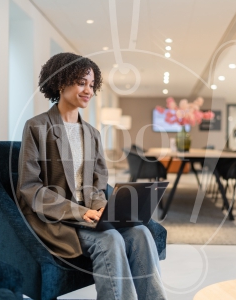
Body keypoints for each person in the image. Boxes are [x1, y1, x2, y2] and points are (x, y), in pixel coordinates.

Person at [15, 52, 167, 300]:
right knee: (110, 240)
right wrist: (80, 212)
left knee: (140, 233)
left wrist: (103, 210)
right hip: (58, 218)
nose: (88, 90)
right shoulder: (37, 127)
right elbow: (30, 187)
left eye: (92, 85)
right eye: (81, 83)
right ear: (61, 82)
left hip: (92, 216)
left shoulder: (92, 134)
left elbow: (98, 185)